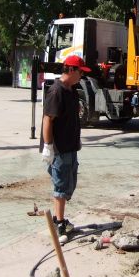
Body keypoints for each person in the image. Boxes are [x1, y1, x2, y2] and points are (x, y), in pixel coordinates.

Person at [40, 55, 91, 243]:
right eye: (80, 72)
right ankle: (58, 222)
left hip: (70, 146)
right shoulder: (56, 91)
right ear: (70, 70)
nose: (81, 76)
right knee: (61, 185)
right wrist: (47, 146)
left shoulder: (72, 90)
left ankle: (59, 218)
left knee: (69, 183)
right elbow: (48, 119)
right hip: (59, 148)